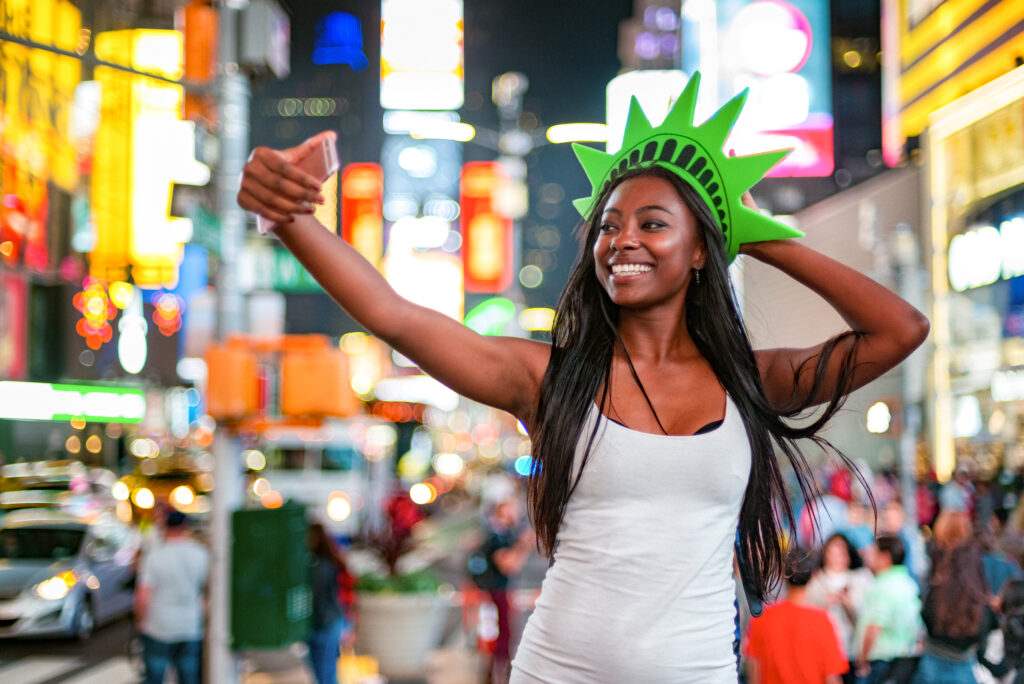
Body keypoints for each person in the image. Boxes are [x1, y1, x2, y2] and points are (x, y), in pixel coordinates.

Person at [237, 72, 929, 682]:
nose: (621, 239)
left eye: (653, 224)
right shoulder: (546, 377)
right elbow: (393, 315)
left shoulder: (749, 382)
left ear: (698, 252)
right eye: (608, 225)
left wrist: (751, 232)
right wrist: (291, 218)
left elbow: (900, 331)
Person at [914, 510, 996, 684]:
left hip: (934, 656)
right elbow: (985, 612)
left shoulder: (937, 562)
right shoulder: (975, 561)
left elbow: (925, 609)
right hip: (963, 659)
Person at [745, 547, 849, 683]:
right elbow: (831, 677)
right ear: (813, 576)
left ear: (783, 574)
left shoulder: (763, 617)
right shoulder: (823, 621)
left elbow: (754, 670)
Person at [469, 477, 536, 684]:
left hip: (497, 591)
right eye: (512, 505)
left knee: (500, 635)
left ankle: (493, 674)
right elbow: (508, 565)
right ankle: (498, 675)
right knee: (501, 635)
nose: (516, 510)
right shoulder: (498, 535)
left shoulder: (501, 533)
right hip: (496, 592)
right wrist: (524, 546)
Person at [134, 510, 209, 684]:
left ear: (165, 528)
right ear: (185, 527)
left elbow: (143, 595)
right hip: (190, 624)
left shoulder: (154, 556)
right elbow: (207, 591)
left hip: (158, 624)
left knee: (154, 675)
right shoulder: (200, 554)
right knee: (189, 675)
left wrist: (140, 621)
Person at [853, 535, 923, 684]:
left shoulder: (882, 587)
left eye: (872, 552)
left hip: (880, 663)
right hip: (905, 662)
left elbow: (874, 627)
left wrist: (863, 659)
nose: (867, 557)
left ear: (885, 557)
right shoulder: (909, 584)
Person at [807, 533, 875, 683]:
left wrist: (849, 604)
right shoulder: (815, 581)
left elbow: (871, 617)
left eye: (841, 552)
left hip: (851, 649)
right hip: (823, 650)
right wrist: (825, 604)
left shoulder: (861, 579)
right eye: (832, 552)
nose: (837, 558)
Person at [306, 521, 351, 684]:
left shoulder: (320, 566)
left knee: (324, 673)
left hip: (325, 623)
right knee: (326, 671)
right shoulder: (327, 563)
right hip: (332, 621)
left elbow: (318, 598)